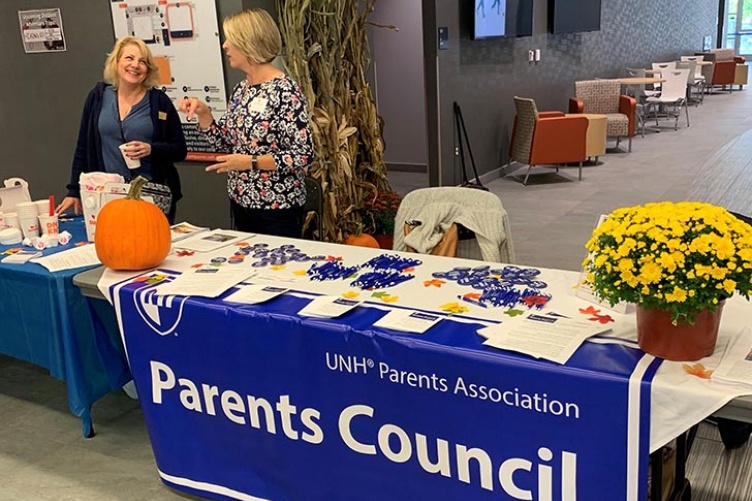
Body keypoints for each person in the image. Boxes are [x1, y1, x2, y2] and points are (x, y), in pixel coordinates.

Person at [179, 9, 313, 238]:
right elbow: (226, 146)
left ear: (249, 42)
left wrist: (251, 162)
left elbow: (303, 154)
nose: (225, 46)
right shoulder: (242, 89)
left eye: (230, 39)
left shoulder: (285, 90)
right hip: (241, 203)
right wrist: (204, 114)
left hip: (277, 209)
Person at [57, 36, 187, 222]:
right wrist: (74, 190)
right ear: (116, 62)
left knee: (150, 245)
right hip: (107, 194)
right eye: (129, 58)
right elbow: (83, 146)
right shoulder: (98, 97)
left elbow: (179, 150)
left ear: (148, 69)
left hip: (150, 195)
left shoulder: (159, 102)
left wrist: (151, 149)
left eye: (142, 61)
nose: (135, 65)